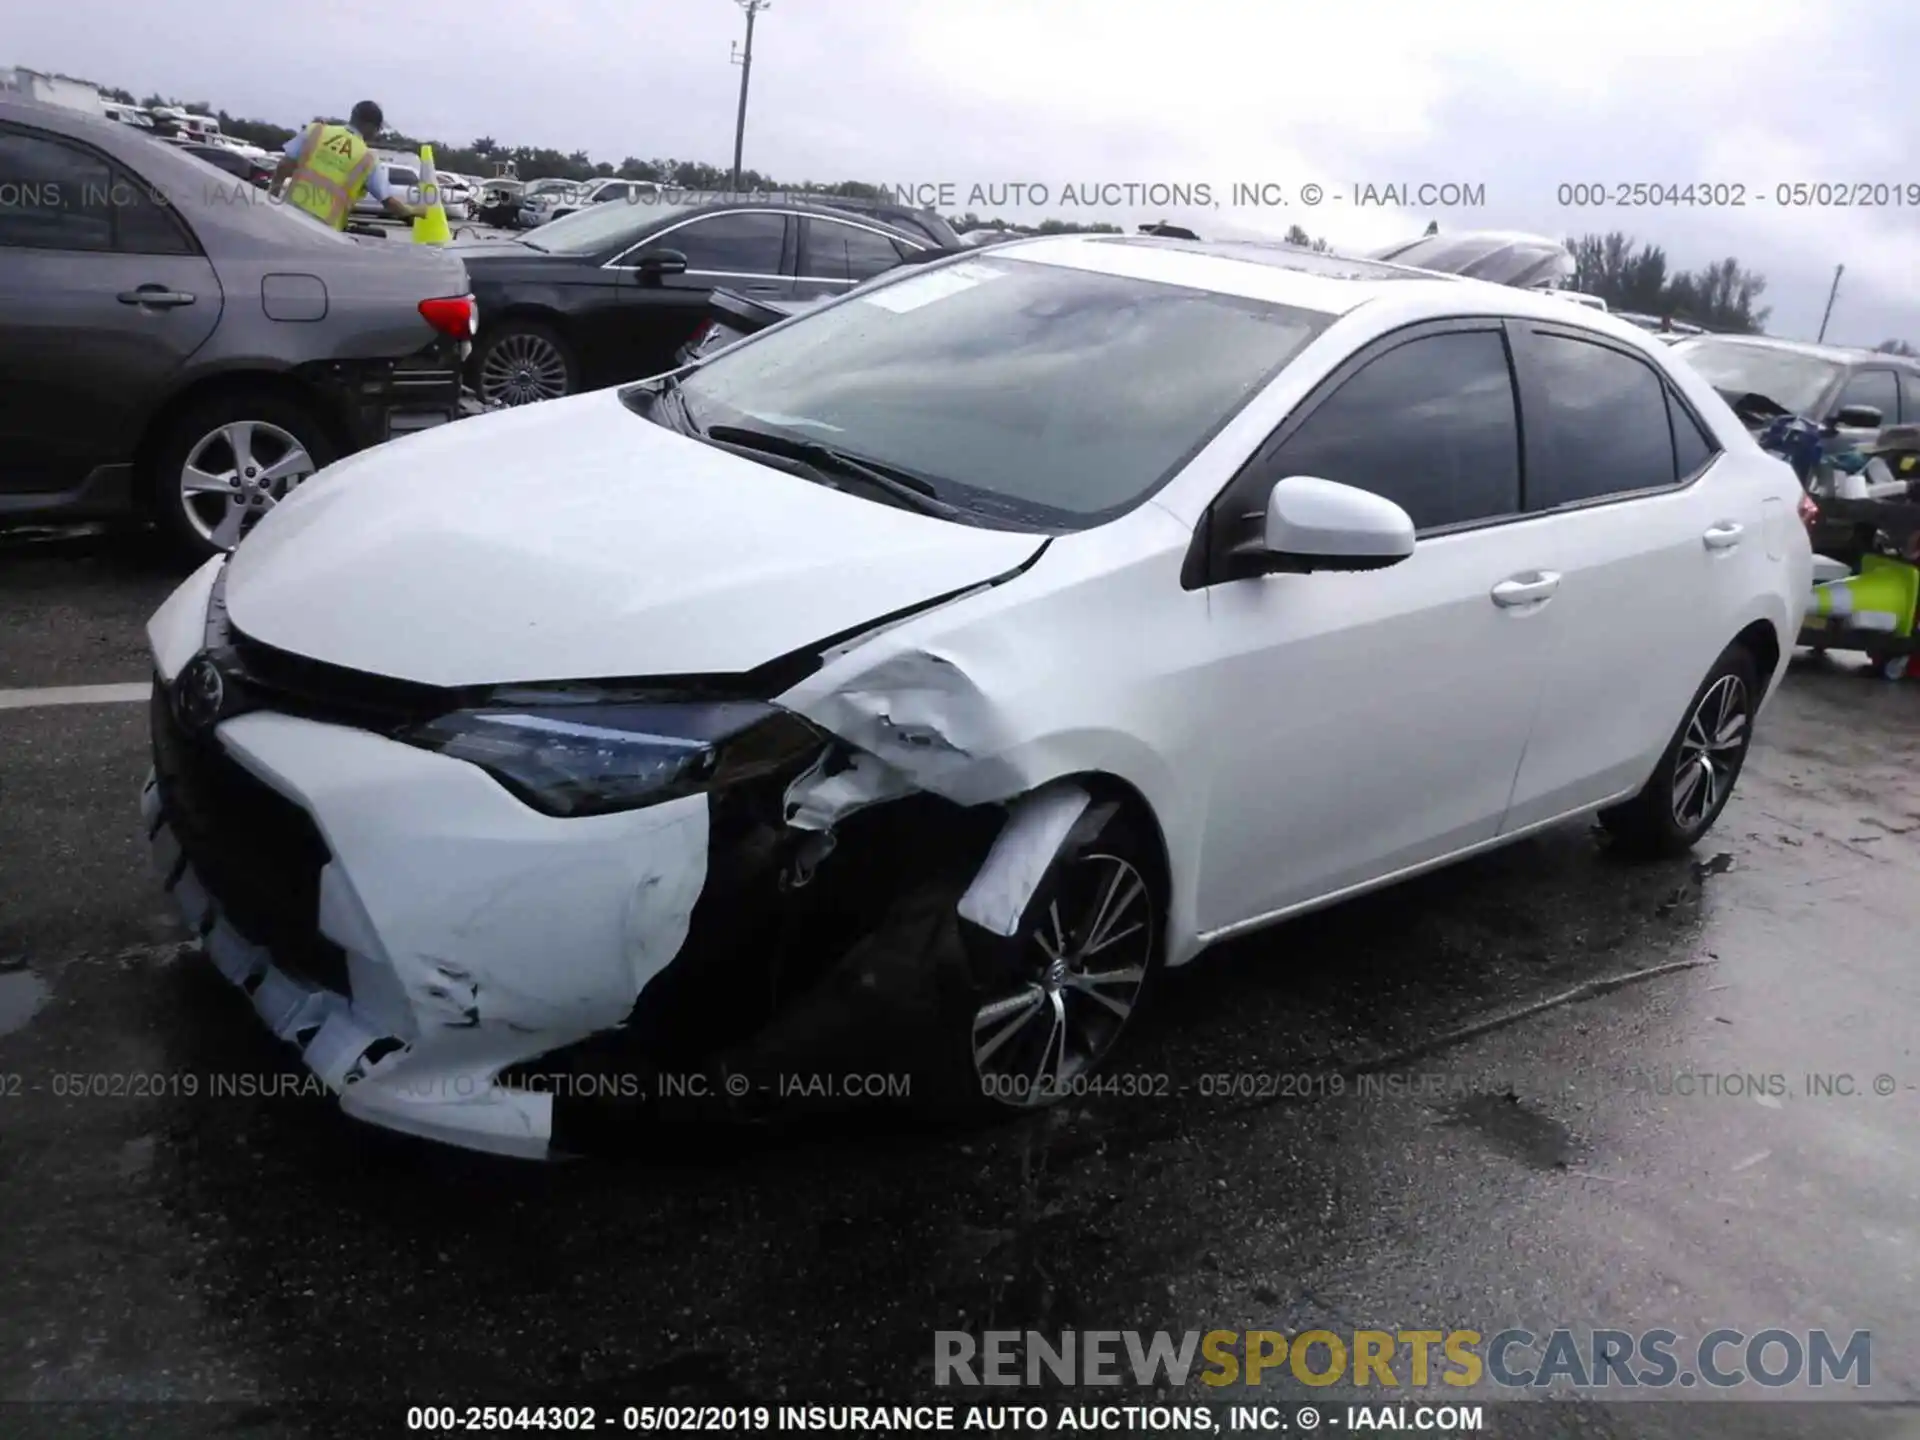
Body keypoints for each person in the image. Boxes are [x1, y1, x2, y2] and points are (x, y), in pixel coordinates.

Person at [270, 100, 424, 229]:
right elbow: (388, 201)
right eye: (378, 129)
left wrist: (272, 199)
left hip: (289, 217)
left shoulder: (316, 131)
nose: (377, 134)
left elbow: (284, 166)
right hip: (324, 231)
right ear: (370, 126)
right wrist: (412, 214)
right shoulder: (367, 158)